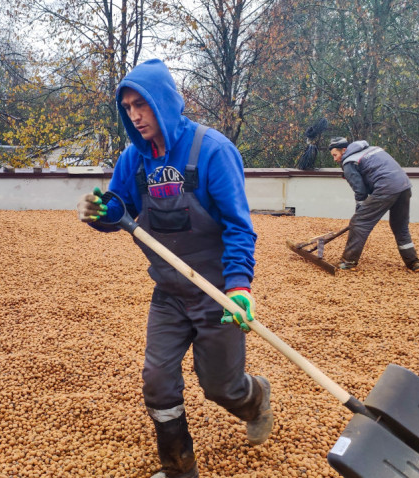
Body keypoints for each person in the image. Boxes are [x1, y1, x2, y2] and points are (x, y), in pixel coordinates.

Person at [76, 59, 273, 478]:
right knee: (157, 380)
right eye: (127, 107)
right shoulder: (133, 159)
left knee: (220, 386)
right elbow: (119, 210)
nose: (134, 115)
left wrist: (240, 287)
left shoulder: (212, 150)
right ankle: (179, 468)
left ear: (162, 101)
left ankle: (253, 397)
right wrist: (99, 212)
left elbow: (239, 226)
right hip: (169, 292)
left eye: (141, 104)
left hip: (216, 292)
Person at [328, 137, 419, 272]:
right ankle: (414, 263)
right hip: (404, 186)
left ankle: (348, 262)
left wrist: (359, 210)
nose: (335, 159)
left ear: (344, 150)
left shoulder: (349, 161)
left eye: (335, 155)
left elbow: (360, 191)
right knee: (400, 225)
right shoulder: (372, 149)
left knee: (359, 223)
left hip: (385, 187)